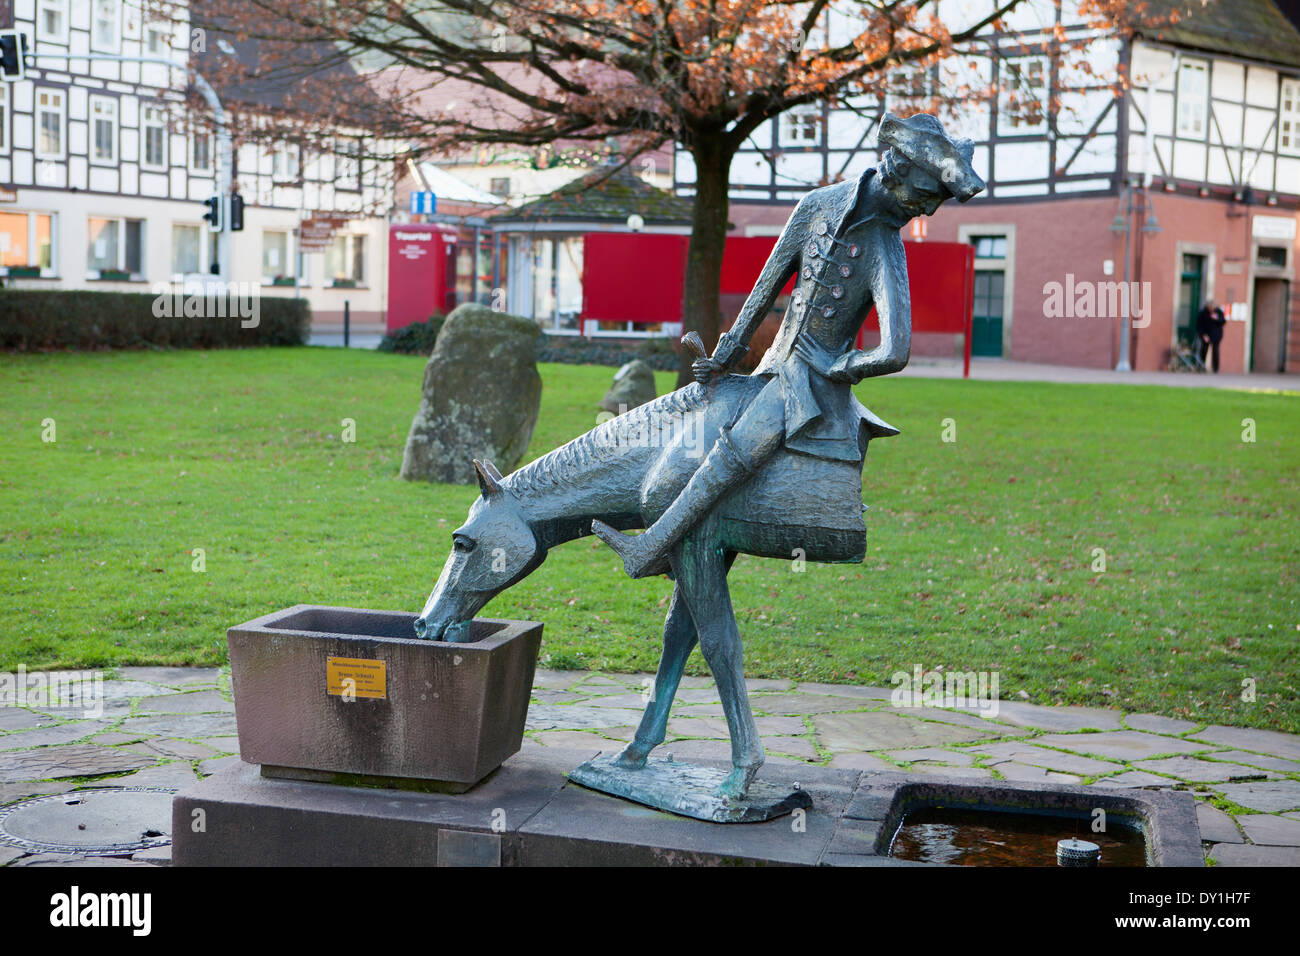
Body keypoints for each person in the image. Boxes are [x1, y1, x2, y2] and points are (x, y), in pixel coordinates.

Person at [593, 113, 985, 578]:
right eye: (925, 197)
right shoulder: (816, 206)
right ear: (895, 167)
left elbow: (896, 352)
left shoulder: (885, 247)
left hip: (808, 385)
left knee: (735, 448)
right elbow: (765, 288)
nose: (928, 212)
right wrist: (725, 355)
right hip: (771, 367)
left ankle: (649, 548)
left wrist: (842, 367)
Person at [1197, 299, 1226, 373]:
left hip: (1216, 335)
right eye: (1210, 308)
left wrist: (1217, 319)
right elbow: (1199, 325)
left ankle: (1215, 369)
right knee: (1204, 350)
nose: (1212, 310)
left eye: (1213, 308)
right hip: (1206, 335)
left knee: (1215, 351)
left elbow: (1223, 322)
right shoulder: (1203, 313)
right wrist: (1203, 335)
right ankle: (1201, 367)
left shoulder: (1219, 312)